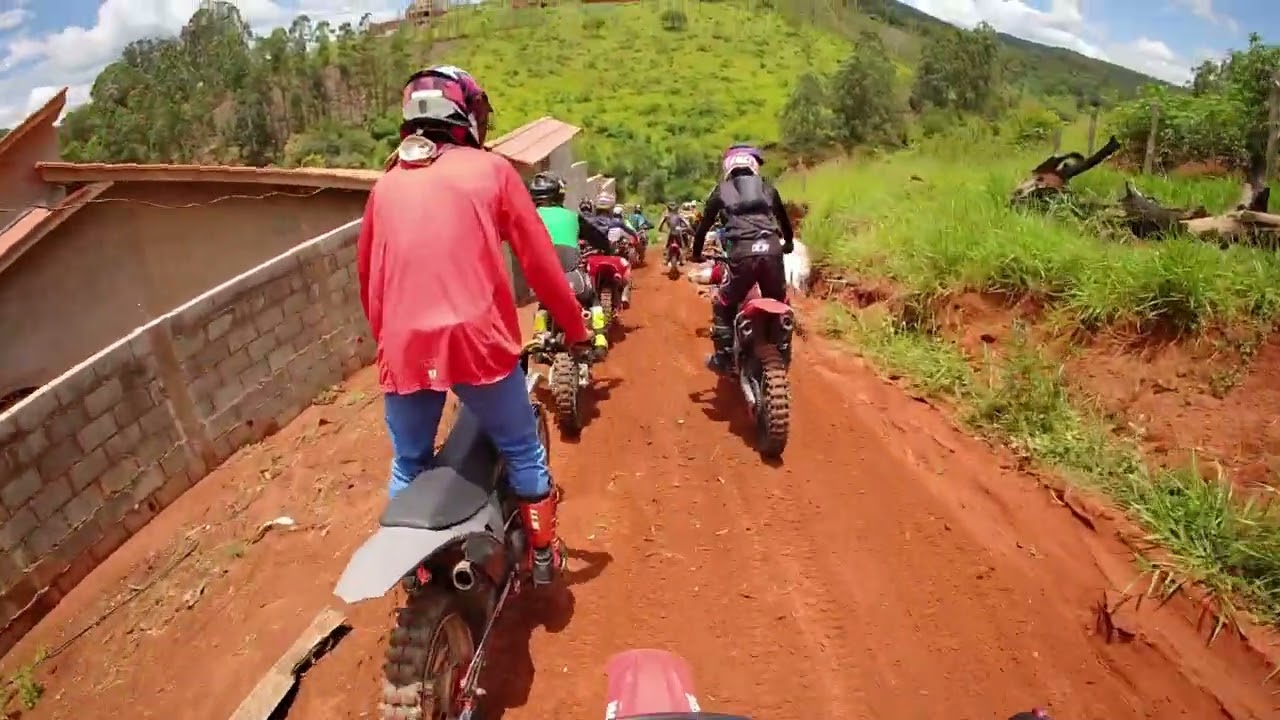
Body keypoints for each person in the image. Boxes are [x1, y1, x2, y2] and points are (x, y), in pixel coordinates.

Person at [356, 64, 590, 585]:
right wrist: (574, 329)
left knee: (408, 461)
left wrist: (390, 343)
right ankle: (544, 555)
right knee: (522, 447)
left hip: (403, 347)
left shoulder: (386, 185)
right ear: (465, 114)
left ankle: (412, 571)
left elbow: (369, 279)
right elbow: (541, 265)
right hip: (478, 344)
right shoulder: (493, 172)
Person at [691, 144, 795, 375]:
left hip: (742, 254)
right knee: (781, 301)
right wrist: (788, 243)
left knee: (724, 304)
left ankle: (723, 356)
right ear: (754, 165)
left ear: (729, 167)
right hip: (771, 251)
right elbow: (785, 223)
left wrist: (696, 253)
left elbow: (702, 228)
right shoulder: (768, 189)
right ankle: (784, 347)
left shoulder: (721, 191)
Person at [528, 171, 611, 357]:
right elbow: (599, 239)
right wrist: (608, 249)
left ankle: (539, 337)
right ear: (560, 193)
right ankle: (600, 340)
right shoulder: (572, 217)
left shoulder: (527, 217)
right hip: (571, 276)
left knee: (543, 304)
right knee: (592, 299)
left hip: (540, 282)